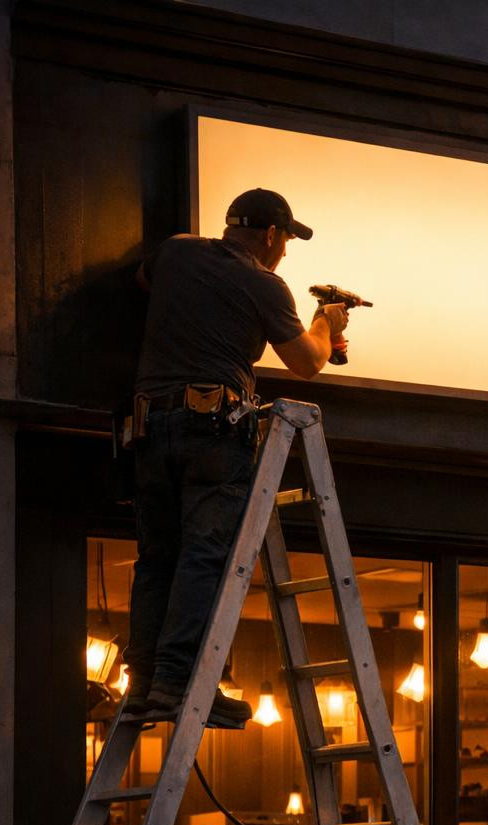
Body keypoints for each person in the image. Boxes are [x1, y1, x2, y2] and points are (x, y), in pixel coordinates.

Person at [122, 188, 349, 728]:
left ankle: (144, 685)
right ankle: (178, 685)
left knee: (157, 558)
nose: (286, 253)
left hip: (149, 426)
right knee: (205, 556)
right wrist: (327, 323)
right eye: (286, 241)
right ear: (271, 235)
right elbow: (307, 364)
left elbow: (142, 281)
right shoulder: (265, 285)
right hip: (212, 428)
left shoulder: (177, 252)